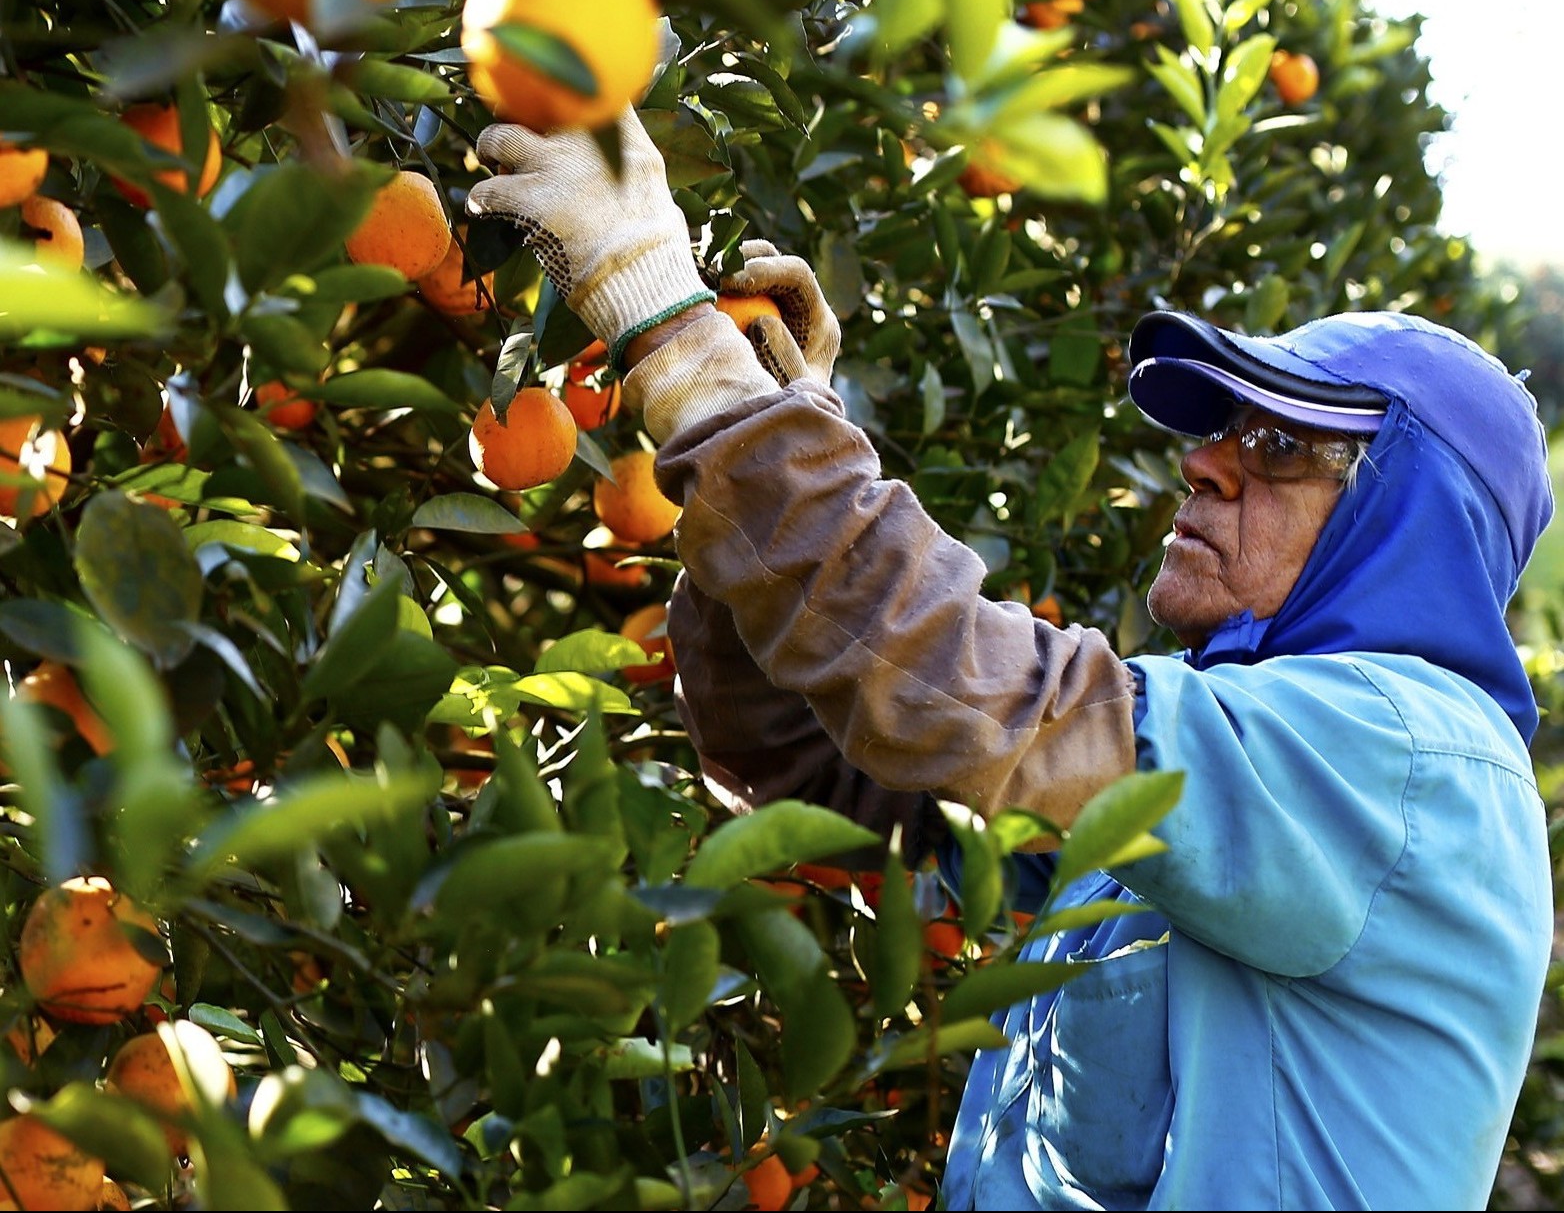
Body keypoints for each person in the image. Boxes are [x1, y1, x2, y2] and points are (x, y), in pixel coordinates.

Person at [465, 108, 1556, 1211]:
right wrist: (770, 433)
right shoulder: (1220, 786)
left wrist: (669, 322)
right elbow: (821, 771)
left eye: (1278, 443)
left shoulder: (1405, 759)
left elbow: (960, 682)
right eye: (1215, 427)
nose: (1206, 465)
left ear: (1409, 522)